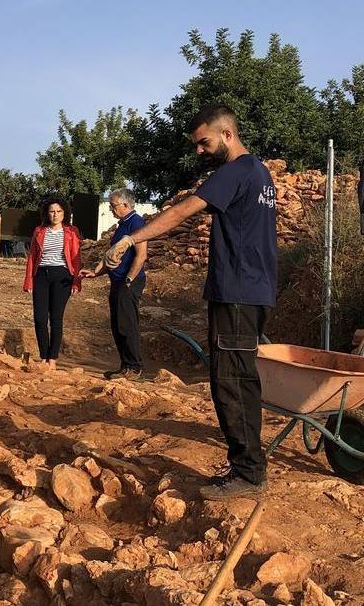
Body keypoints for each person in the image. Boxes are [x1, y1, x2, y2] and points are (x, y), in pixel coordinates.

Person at [105, 104, 277, 500]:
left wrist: (132, 238)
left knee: (230, 382)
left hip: (236, 292)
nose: (199, 151)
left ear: (227, 135)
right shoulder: (260, 174)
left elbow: (184, 210)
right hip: (253, 290)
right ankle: (249, 466)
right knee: (240, 378)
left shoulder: (235, 171)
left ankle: (248, 475)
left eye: (205, 142)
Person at [80, 188, 149, 380]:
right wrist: (95, 272)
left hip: (128, 282)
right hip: (118, 281)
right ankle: (125, 367)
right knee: (118, 324)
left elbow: (141, 254)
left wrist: (129, 278)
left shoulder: (136, 222)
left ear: (125, 205)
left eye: (113, 205)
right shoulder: (121, 225)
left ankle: (135, 367)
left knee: (127, 324)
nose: (111, 209)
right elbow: (111, 256)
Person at [24, 196, 83, 369]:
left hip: (62, 276)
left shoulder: (72, 232)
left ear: (65, 213)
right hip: (41, 275)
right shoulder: (39, 231)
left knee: (56, 318)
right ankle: (43, 355)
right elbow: (32, 257)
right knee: (40, 318)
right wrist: (28, 281)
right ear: (46, 213)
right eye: (51, 211)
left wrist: (76, 282)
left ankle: (53, 359)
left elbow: (76, 259)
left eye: (59, 211)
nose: (55, 215)